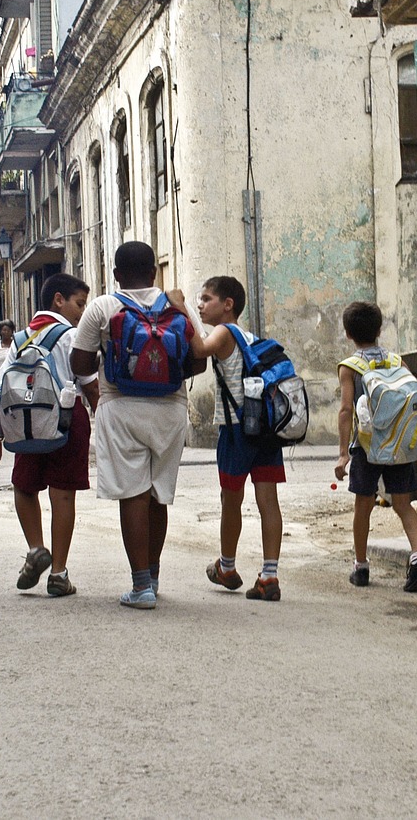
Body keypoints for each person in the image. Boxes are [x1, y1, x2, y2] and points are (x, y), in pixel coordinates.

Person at [71, 241, 206, 609]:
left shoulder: (103, 306)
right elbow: (198, 363)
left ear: (116, 275)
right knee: (157, 492)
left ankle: (141, 586)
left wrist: (94, 394)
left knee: (132, 492)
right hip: (170, 408)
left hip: (120, 405)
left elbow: (79, 359)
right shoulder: (175, 306)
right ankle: (155, 573)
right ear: (153, 273)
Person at [169, 276, 284, 601]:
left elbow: (199, 349)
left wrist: (182, 309)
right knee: (268, 502)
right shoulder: (248, 336)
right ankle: (269, 575)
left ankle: (228, 566)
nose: (202, 304)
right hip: (265, 429)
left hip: (237, 430)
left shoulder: (225, 332)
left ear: (228, 304)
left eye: (206, 299)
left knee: (230, 500)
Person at [0, 273, 99, 597]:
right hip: (66, 418)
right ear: (58, 300)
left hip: (25, 419)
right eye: (79, 303)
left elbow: (1, 387)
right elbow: (88, 382)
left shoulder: (19, 339)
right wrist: (104, 419)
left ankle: (36, 549)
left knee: (24, 487)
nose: (82, 310)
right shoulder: (73, 335)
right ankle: (59, 573)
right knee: (62, 493)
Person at [333, 301, 417, 592]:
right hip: (399, 445)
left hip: (366, 448)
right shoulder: (395, 360)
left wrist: (343, 455)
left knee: (363, 506)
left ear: (348, 334)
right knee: (403, 504)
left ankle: (361, 567)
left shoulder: (350, 367)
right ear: (380, 330)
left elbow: (345, 410)